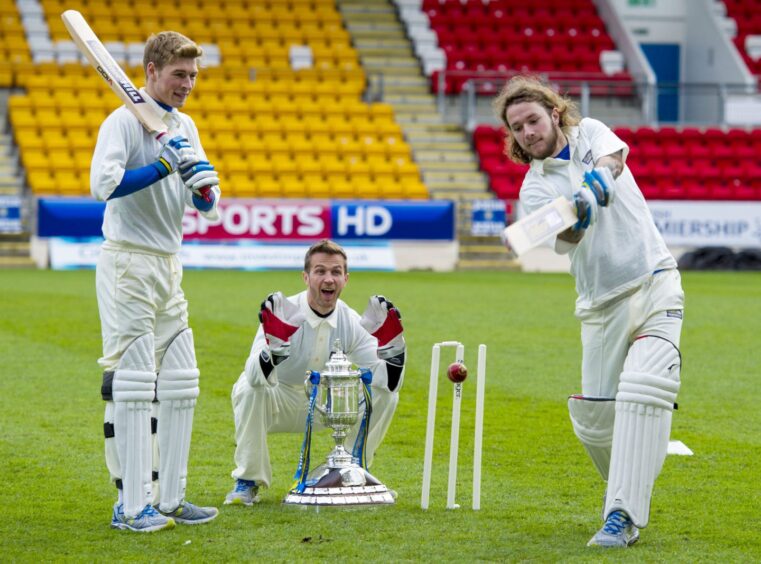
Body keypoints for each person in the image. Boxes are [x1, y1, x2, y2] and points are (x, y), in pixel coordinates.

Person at [493, 76, 684, 548]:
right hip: (601, 305)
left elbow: (612, 162)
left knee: (643, 388)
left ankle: (620, 515)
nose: (528, 132)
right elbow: (568, 240)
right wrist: (578, 213)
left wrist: (596, 183)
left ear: (554, 114)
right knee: (596, 423)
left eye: (533, 120)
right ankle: (630, 480)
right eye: (517, 128)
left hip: (655, 279)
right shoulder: (534, 192)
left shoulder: (591, 132)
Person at [91, 31, 221, 532]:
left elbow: (202, 205)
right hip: (128, 262)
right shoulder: (123, 122)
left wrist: (202, 184)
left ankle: (170, 497)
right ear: (150, 71)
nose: (187, 84)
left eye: (192, 76)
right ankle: (130, 507)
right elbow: (103, 186)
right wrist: (164, 166)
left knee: (181, 378)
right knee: (134, 381)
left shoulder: (183, 124)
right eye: (178, 75)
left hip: (169, 261)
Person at [225, 239, 406, 505]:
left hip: (326, 405)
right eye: (320, 271)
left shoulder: (351, 320)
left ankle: (352, 473)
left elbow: (389, 383)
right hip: (280, 401)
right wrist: (272, 352)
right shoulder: (283, 313)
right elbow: (253, 376)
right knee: (248, 388)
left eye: (335, 272)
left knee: (386, 395)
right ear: (306, 277)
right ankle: (248, 481)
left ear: (346, 278)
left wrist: (395, 351)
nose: (328, 279)